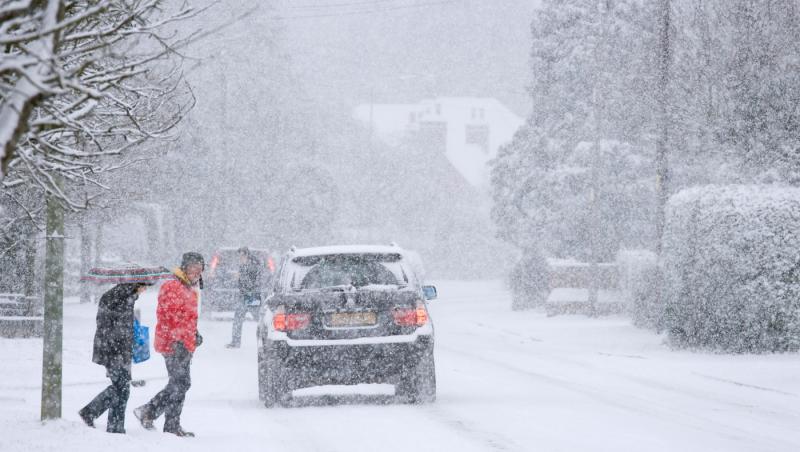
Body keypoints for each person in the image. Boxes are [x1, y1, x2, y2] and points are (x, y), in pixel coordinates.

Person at [134, 252, 204, 437]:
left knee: (180, 383)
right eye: (193, 268)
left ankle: (152, 413)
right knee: (180, 383)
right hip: (172, 344)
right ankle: (164, 421)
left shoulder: (189, 288)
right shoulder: (173, 286)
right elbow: (168, 316)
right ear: (184, 267)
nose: (197, 272)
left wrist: (194, 334)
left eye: (200, 269)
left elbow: (186, 318)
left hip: (183, 343)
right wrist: (178, 339)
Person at [78, 282, 152, 434]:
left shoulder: (126, 296)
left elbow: (121, 326)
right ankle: (114, 426)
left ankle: (91, 412)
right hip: (113, 350)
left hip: (119, 350)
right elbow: (106, 325)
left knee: (120, 387)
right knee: (122, 388)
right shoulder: (119, 297)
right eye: (145, 287)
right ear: (137, 284)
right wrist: (119, 341)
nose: (145, 290)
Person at [226, 247, 263, 348]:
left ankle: (266, 339)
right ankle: (235, 342)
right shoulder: (244, 265)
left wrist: (240, 276)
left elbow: (252, 284)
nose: (239, 258)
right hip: (244, 296)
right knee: (238, 318)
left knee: (259, 318)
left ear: (246, 255)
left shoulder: (252, 266)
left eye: (241, 255)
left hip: (252, 296)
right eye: (239, 256)